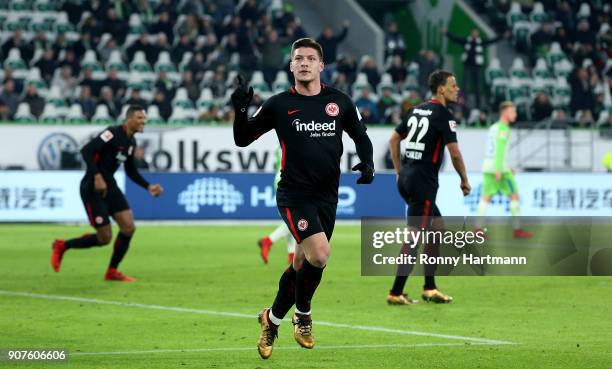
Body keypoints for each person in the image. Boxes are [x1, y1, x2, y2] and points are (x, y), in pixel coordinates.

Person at [231, 38, 374, 359]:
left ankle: (272, 319)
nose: (305, 63)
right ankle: (304, 315)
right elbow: (243, 139)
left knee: (301, 262)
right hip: (294, 193)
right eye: (299, 58)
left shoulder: (339, 101)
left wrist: (368, 162)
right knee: (320, 255)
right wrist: (240, 107)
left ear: (322, 65)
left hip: (327, 195)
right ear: (292, 65)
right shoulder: (279, 104)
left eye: (311, 58)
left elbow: (360, 134)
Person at [387, 70, 471, 306]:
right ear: (441, 89)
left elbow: (394, 139)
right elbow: (454, 152)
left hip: (407, 178)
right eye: (453, 85)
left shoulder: (416, 109)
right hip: (423, 183)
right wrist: (464, 179)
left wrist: (398, 171)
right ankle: (395, 291)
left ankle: (430, 288)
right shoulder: (444, 114)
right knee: (414, 237)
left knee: (437, 228)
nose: (457, 89)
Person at [50, 106, 163, 281]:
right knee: (105, 238)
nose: (144, 122)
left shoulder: (131, 143)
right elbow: (86, 150)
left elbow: (131, 171)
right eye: (140, 118)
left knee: (128, 227)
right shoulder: (112, 133)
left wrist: (148, 186)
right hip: (92, 187)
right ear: (129, 119)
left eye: (144, 118)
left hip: (110, 186)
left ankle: (112, 271)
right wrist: (97, 176)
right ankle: (62, 245)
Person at [475, 101, 533, 238]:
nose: (515, 114)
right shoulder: (504, 129)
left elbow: (493, 149)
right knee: (514, 196)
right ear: (505, 113)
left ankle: (477, 229)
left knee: (485, 197)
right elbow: (499, 150)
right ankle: (517, 230)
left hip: (487, 166)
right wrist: (500, 169)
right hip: (498, 168)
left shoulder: (493, 127)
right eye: (513, 111)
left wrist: (506, 165)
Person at [257, 147, 297, 265]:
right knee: (294, 219)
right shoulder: (293, 138)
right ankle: (268, 241)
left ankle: (291, 257)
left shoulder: (281, 141)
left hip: (280, 178)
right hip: (289, 179)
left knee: (290, 220)